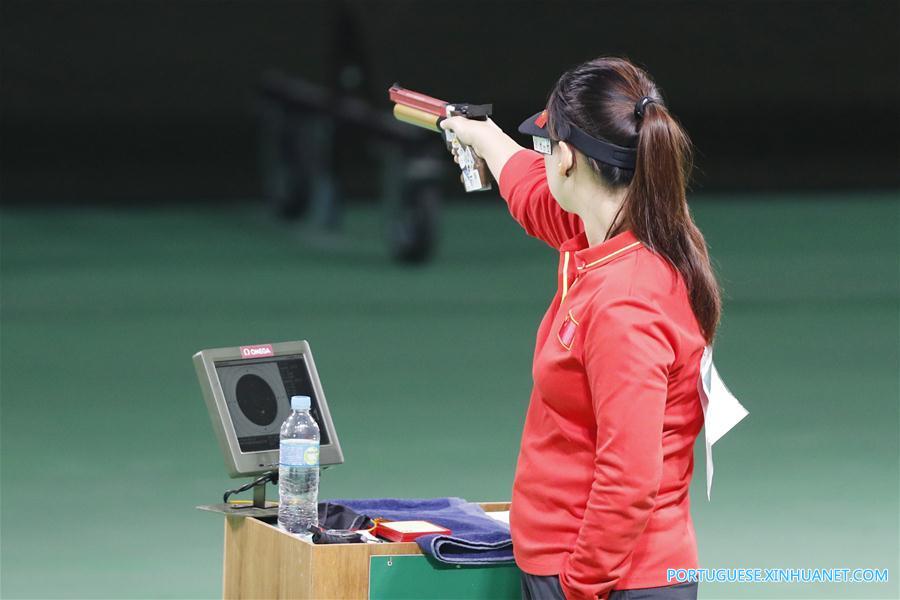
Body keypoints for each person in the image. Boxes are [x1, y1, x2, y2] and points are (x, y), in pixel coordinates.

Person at [441, 57, 720, 600]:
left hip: (606, 581)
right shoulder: (616, 235)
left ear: (567, 159)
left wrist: (578, 587)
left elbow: (630, 480)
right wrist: (484, 137)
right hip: (597, 568)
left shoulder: (625, 305)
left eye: (548, 147)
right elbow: (530, 192)